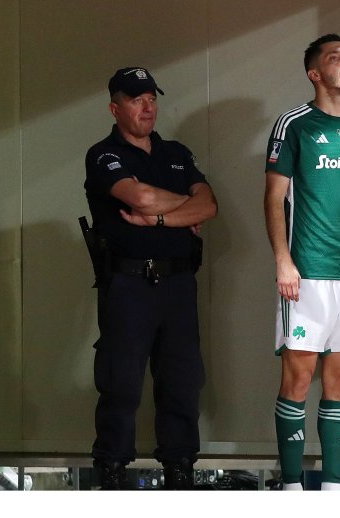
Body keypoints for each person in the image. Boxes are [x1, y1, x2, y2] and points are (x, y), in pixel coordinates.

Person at [83, 67, 218, 490]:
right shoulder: (104, 155)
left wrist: (159, 216)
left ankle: (180, 469)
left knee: (183, 382)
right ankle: (112, 470)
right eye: (136, 99)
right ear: (115, 108)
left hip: (178, 284)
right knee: (120, 383)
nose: (147, 107)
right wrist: (182, 207)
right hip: (129, 285)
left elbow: (209, 206)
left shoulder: (176, 152)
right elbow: (139, 196)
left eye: (152, 99)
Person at [263, 34, 340, 491]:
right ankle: (292, 486)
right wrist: (283, 260)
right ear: (315, 73)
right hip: (307, 273)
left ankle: (333, 488)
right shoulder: (294, 125)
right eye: (335, 58)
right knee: (298, 378)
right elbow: (273, 198)